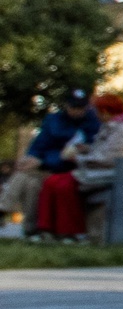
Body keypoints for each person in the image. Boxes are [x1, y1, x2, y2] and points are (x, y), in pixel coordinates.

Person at [25, 90, 101, 241]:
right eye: (74, 107)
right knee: (38, 181)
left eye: (81, 107)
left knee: (61, 185)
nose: (77, 111)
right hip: (56, 165)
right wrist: (34, 159)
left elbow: (97, 147)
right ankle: (43, 228)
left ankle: (68, 231)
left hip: (81, 167)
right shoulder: (55, 121)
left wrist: (85, 149)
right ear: (67, 106)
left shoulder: (93, 123)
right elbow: (41, 145)